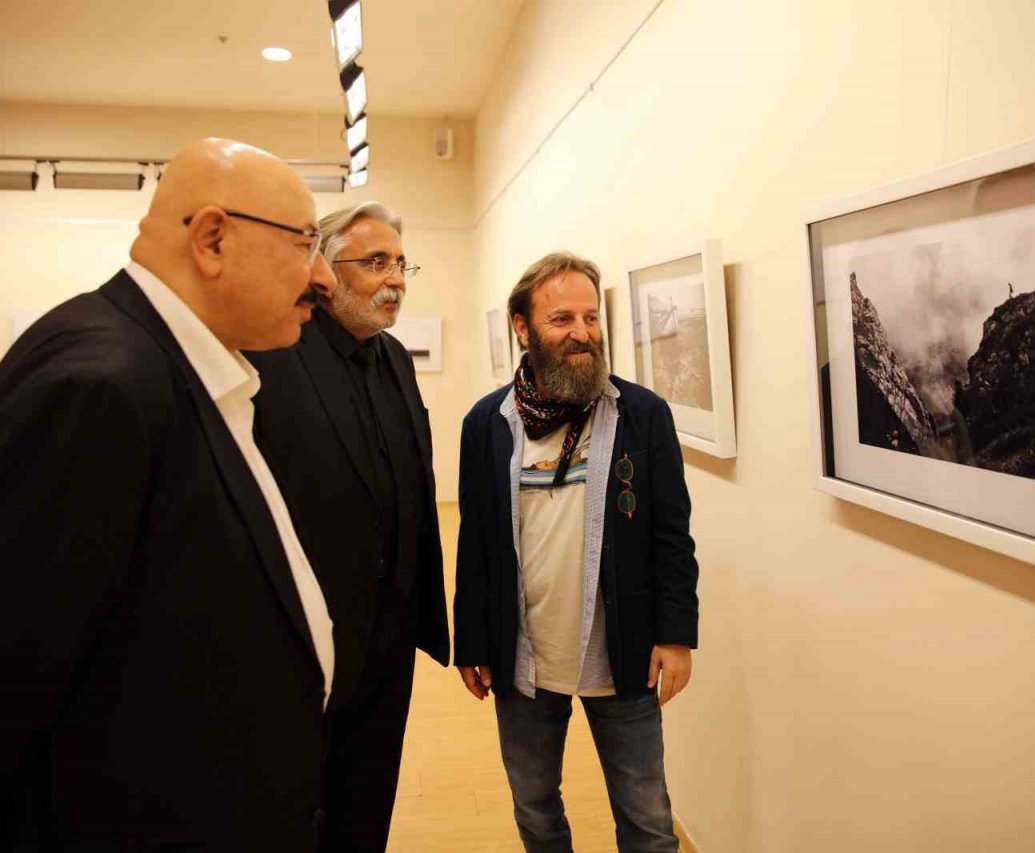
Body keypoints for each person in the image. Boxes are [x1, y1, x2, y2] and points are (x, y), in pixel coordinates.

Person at [0, 138, 339, 850]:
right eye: (305, 242)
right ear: (212, 238)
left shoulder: (184, 371)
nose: (322, 274)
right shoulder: (102, 385)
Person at [454, 252, 699, 852]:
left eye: (591, 317)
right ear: (522, 326)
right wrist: (473, 642)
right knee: (536, 812)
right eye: (562, 318)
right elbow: (476, 542)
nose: (582, 332)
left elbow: (673, 534)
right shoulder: (488, 422)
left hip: (625, 653)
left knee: (647, 819)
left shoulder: (642, 415)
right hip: (524, 658)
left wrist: (676, 634)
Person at [246, 201, 449, 852]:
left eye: (400, 262)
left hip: (388, 642)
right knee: (296, 811)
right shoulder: (274, 357)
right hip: (304, 645)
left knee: (366, 810)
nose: (396, 279)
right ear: (325, 273)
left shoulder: (396, 359)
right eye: (376, 262)